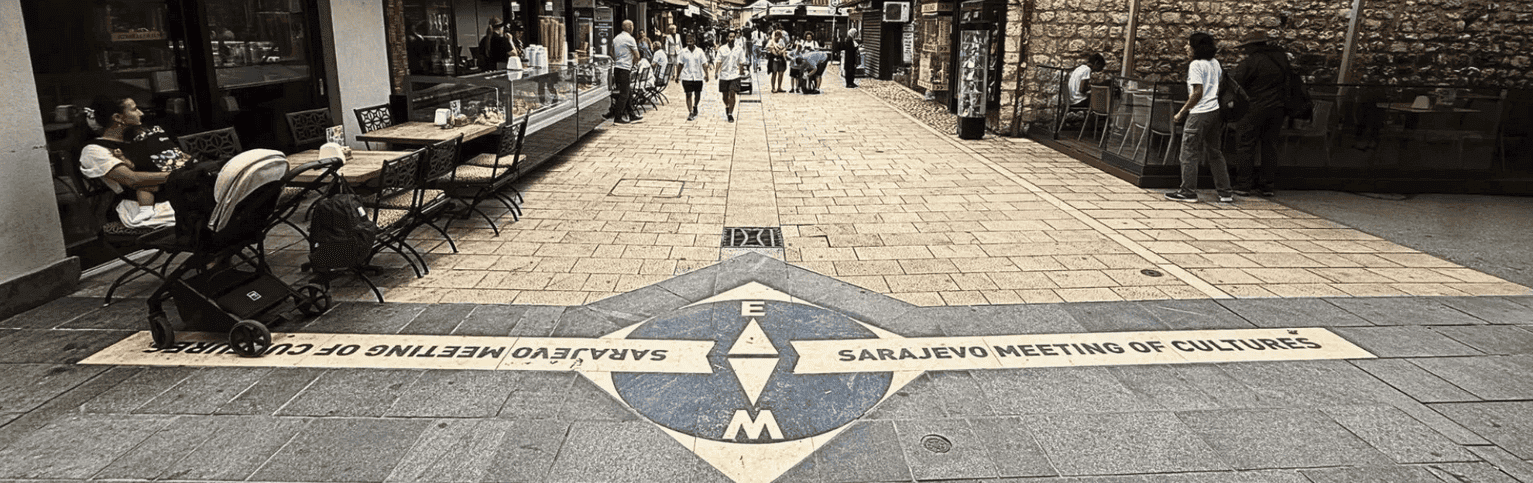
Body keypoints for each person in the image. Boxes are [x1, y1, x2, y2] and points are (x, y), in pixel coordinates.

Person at [79, 96, 176, 227]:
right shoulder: (93, 150)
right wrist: (180, 176)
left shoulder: (139, 137)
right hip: (142, 205)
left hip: (171, 191)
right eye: (134, 109)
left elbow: (173, 161)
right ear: (117, 118)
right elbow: (133, 179)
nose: (141, 113)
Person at [1167, 32, 1234, 203]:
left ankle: (1187, 191)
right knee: (1215, 152)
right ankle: (1225, 191)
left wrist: (1182, 112)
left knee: (1188, 152)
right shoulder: (1215, 63)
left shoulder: (1196, 65)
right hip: (1214, 111)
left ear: (1197, 48)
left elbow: (1197, 92)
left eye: (1188, 44)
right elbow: (1218, 87)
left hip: (1199, 112)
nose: (1185, 47)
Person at [1230, 31, 1290, 197]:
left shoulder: (1251, 62)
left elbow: (1237, 84)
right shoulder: (1281, 60)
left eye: (1246, 47)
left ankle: (1243, 184)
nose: (1244, 51)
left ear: (1252, 46)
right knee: (1269, 146)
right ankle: (1267, 185)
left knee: (1245, 144)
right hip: (1277, 109)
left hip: (1254, 108)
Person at [606, 20, 643, 124]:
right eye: (632, 26)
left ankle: (631, 115)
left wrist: (618, 59)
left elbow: (611, 52)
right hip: (625, 68)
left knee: (628, 92)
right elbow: (637, 55)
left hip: (617, 68)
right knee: (624, 94)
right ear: (630, 27)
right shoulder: (630, 39)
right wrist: (634, 63)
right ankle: (617, 117)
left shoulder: (616, 38)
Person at [716, 29, 747, 122]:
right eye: (730, 37)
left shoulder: (739, 49)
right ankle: (727, 105)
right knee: (724, 95)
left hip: (734, 75)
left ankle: (730, 114)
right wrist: (716, 72)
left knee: (732, 93)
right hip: (724, 75)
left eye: (733, 37)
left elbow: (742, 61)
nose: (732, 39)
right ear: (727, 38)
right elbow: (718, 61)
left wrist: (741, 72)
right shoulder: (722, 49)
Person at [677, 33, 710, 121]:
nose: (689, 44)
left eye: (691, 41)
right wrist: (677, 76)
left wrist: (707, 74)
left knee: (697, 94)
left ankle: (695, 105)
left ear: (694, 41)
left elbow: (704, 63)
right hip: (686, 76)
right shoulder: (683, 52)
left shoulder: (699, 51)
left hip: (698, 76)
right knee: (688, 94)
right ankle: (691, 112)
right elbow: (680, 64)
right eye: (688, 42)